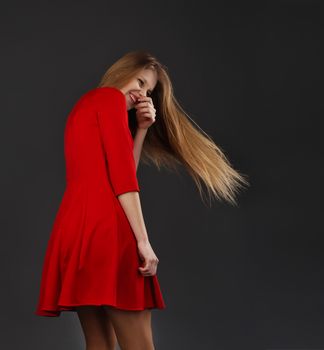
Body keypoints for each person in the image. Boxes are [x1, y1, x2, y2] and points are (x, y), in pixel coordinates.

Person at [35, 50, 249, 349]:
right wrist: (143, 242)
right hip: (108, 232)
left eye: (149, 90)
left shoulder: (84, 106)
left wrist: (142, 131)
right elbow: (123, 183)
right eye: (139, 81)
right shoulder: (109, 99)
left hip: (74, 233)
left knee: (98, 344)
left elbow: (118, 172)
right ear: (122, 72)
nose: (142, 93)